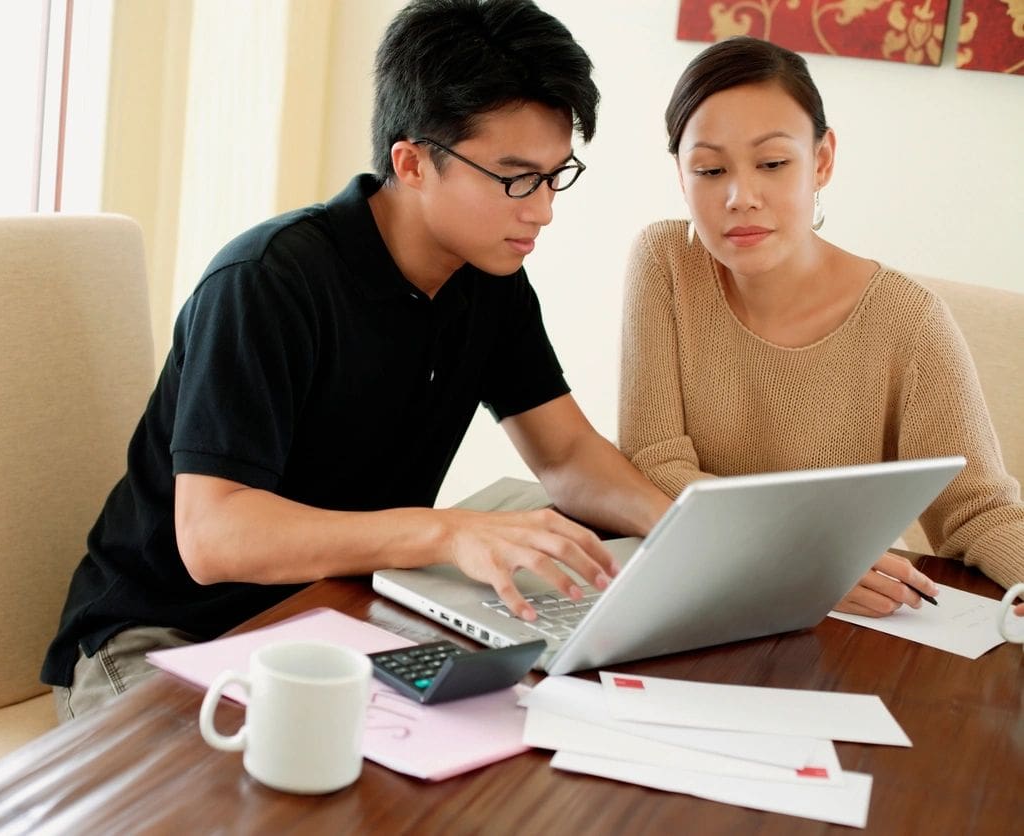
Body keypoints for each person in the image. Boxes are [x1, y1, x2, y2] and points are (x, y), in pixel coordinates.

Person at [43, 0, 671, 721]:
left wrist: (679, 538)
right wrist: (445, 531)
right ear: (411, 162)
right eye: (514, 177)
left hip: (331, 617)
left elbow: (565, 454)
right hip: (163, 634)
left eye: (554, 176)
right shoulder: (266, 281)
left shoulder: (488, 281)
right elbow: (214, 536)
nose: (542, 211)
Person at [619, 36, 1024, 618]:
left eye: (773, 164)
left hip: (855, 621)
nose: (741, 197)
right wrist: (801, 557)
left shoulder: (908, 319)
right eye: (709, 169)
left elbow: (977, 510)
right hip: (713, 593)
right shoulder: (666, 262)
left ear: (823, 161)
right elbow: (653, 462)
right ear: (681, 177)